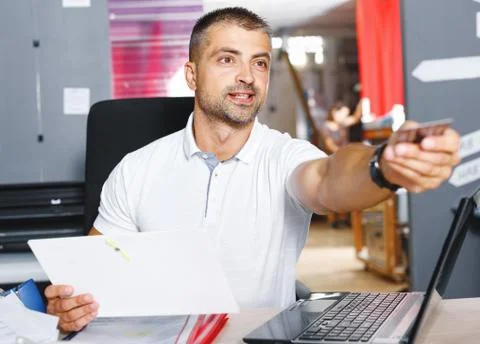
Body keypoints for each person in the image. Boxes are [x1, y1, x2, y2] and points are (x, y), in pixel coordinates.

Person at [44, 7, 460, 332]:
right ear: (192, 74)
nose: (247, 76)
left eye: (259, 63)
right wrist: (71, 303)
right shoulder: (136, 169)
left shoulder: (283, 156)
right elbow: (90, 277)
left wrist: (381, 166)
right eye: (228, 59)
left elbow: (329, 179)